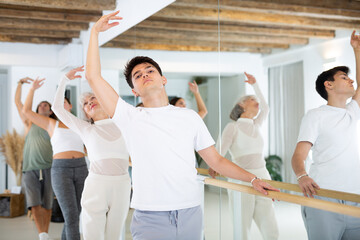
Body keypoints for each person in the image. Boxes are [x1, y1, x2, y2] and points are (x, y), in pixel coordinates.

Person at [85, 11, 278, 240]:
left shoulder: (189, 117)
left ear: (163, 79)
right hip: (150, 217)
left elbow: (216, 160)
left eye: (150, 71)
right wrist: (95, 32)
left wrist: (253, 180)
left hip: (191, 212)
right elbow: (93, 76)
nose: (145, 75)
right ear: (134, 91)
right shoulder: (129, 116)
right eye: (138, 75)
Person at [291, 30, 360, 240]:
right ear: (328, 85)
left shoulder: (352, 111)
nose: (351, 81)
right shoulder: (315, 116)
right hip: (324, 199)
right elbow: (299, 155)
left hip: (354, 199)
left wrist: (357, 51)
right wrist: (302, 176)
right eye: (344, 77)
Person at [52, 66, 131, 240]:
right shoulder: (85, 128)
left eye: (93, 98)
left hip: (122, 184)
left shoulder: (123, 122)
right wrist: (64, 79)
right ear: (86, 113)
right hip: (97, 185)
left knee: (115, 235)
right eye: (85, 104)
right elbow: (57, 108)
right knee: (92, 234)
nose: (89, 103)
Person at [210, 73, 279, 240]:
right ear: (241, 105)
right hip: (240, 178)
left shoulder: (256, 124)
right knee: (242, 225)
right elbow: (218, 152)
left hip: (262, 174)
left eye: (257, 100)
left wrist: (255, 85)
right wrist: (214, 167)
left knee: (270, 223)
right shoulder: (232, 127)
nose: (257, 103)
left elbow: (266, 107)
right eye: (252, 99)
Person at [22, 77, 87, 240]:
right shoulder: (51, 124)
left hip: (81, 168)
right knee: (71, 216)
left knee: (76, 215)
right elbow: (26, 112)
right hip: (61, 169)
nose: (62, 105)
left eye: (65, 102)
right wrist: (32, 89)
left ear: (71, 106)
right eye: (58, 104)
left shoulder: (81, 124)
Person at [15, 77, 54, 240]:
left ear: (50, 111)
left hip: (50, 168)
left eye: (46, 105)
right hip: (30, 169)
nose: (42, 106)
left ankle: (45, 233)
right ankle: (41, 234)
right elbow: (18, 103)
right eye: (40, 105)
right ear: (36, 110)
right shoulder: (29, 123)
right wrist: (20, 84)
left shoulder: (53, 124)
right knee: (35, 203)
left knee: (47, 204)